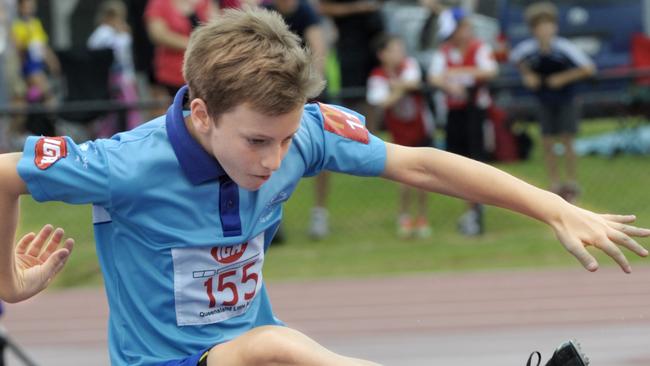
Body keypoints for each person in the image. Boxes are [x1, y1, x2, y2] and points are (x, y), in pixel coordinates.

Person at [0, 7, 648, 366]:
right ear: (200, 114)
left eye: (286, 141)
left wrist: (550, 207)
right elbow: (5, 174)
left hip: (253, 356)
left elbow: (418, 163)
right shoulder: (123, 165)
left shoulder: (301, 133)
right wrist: (6, 281)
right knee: (277, 347)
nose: (275, 161)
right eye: (257, 142)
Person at [510, 2, 595, 203]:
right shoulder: (528, 49)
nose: (545, 30)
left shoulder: (563, 47)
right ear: (533, 29)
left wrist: (563, 78)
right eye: (540, 26)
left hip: (566, 99)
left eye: (548, 25)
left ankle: (572, 182)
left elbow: (588, 68)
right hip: (544, 99)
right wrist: (527, 75)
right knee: (547, 140)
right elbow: (515, 59)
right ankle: (555, 183)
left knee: (567, 139)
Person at [264, 0, 332, 239]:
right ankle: (268, 212)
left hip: (307, 90)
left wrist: (305, 88)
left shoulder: (306, 11)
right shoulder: (265, 11)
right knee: (269, 154)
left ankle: (319, 213)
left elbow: (318, 49)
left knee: (323, 152)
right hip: (273, 93)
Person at [427, 7, 498, 236]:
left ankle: (477, 210)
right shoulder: (445, 52)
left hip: (475, 112)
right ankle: (469, 209)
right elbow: (434, 76)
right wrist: (450, 83)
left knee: (477, 159)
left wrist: (455, 73)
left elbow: (489, 71)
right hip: (454, 113)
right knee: (459, 161)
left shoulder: (479, 48)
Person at [367, 34, 433, 238]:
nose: (400, 54)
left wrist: (397, 88)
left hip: (420, 126)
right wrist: (400, 89)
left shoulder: (409, 65)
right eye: (394, 49)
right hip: (399, 131)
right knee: (404, 176)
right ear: (382, 54)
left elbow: (413, 83)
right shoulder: (377, 76)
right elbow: (381, 102)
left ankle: (422, 217)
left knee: (425, 174)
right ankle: (404, 217)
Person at [88, 0, 142, 136]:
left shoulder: (103, 34)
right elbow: (120, 53)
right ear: (110, 17)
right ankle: (131, 134)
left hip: (116, 81)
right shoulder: (105, 33)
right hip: (114, 81)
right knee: (126, 111)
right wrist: (124, 34)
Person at [144, 0, 216, 98]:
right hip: (172, 72)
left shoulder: (204, 2)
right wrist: (195, 44)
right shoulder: (160, 3)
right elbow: (158, 35)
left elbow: (217, 25)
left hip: (205, 70)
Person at [11, 0, 60, 136]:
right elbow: (20, 50)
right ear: (20, 7)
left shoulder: (35, 23)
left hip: (38, 66)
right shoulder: (17, 25)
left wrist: (52, 61)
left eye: (32, 4)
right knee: (44, 95)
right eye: (27, 5)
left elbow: (43, 46)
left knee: (42, 98)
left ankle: (49, 127)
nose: (30, 8)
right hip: (28, 68)